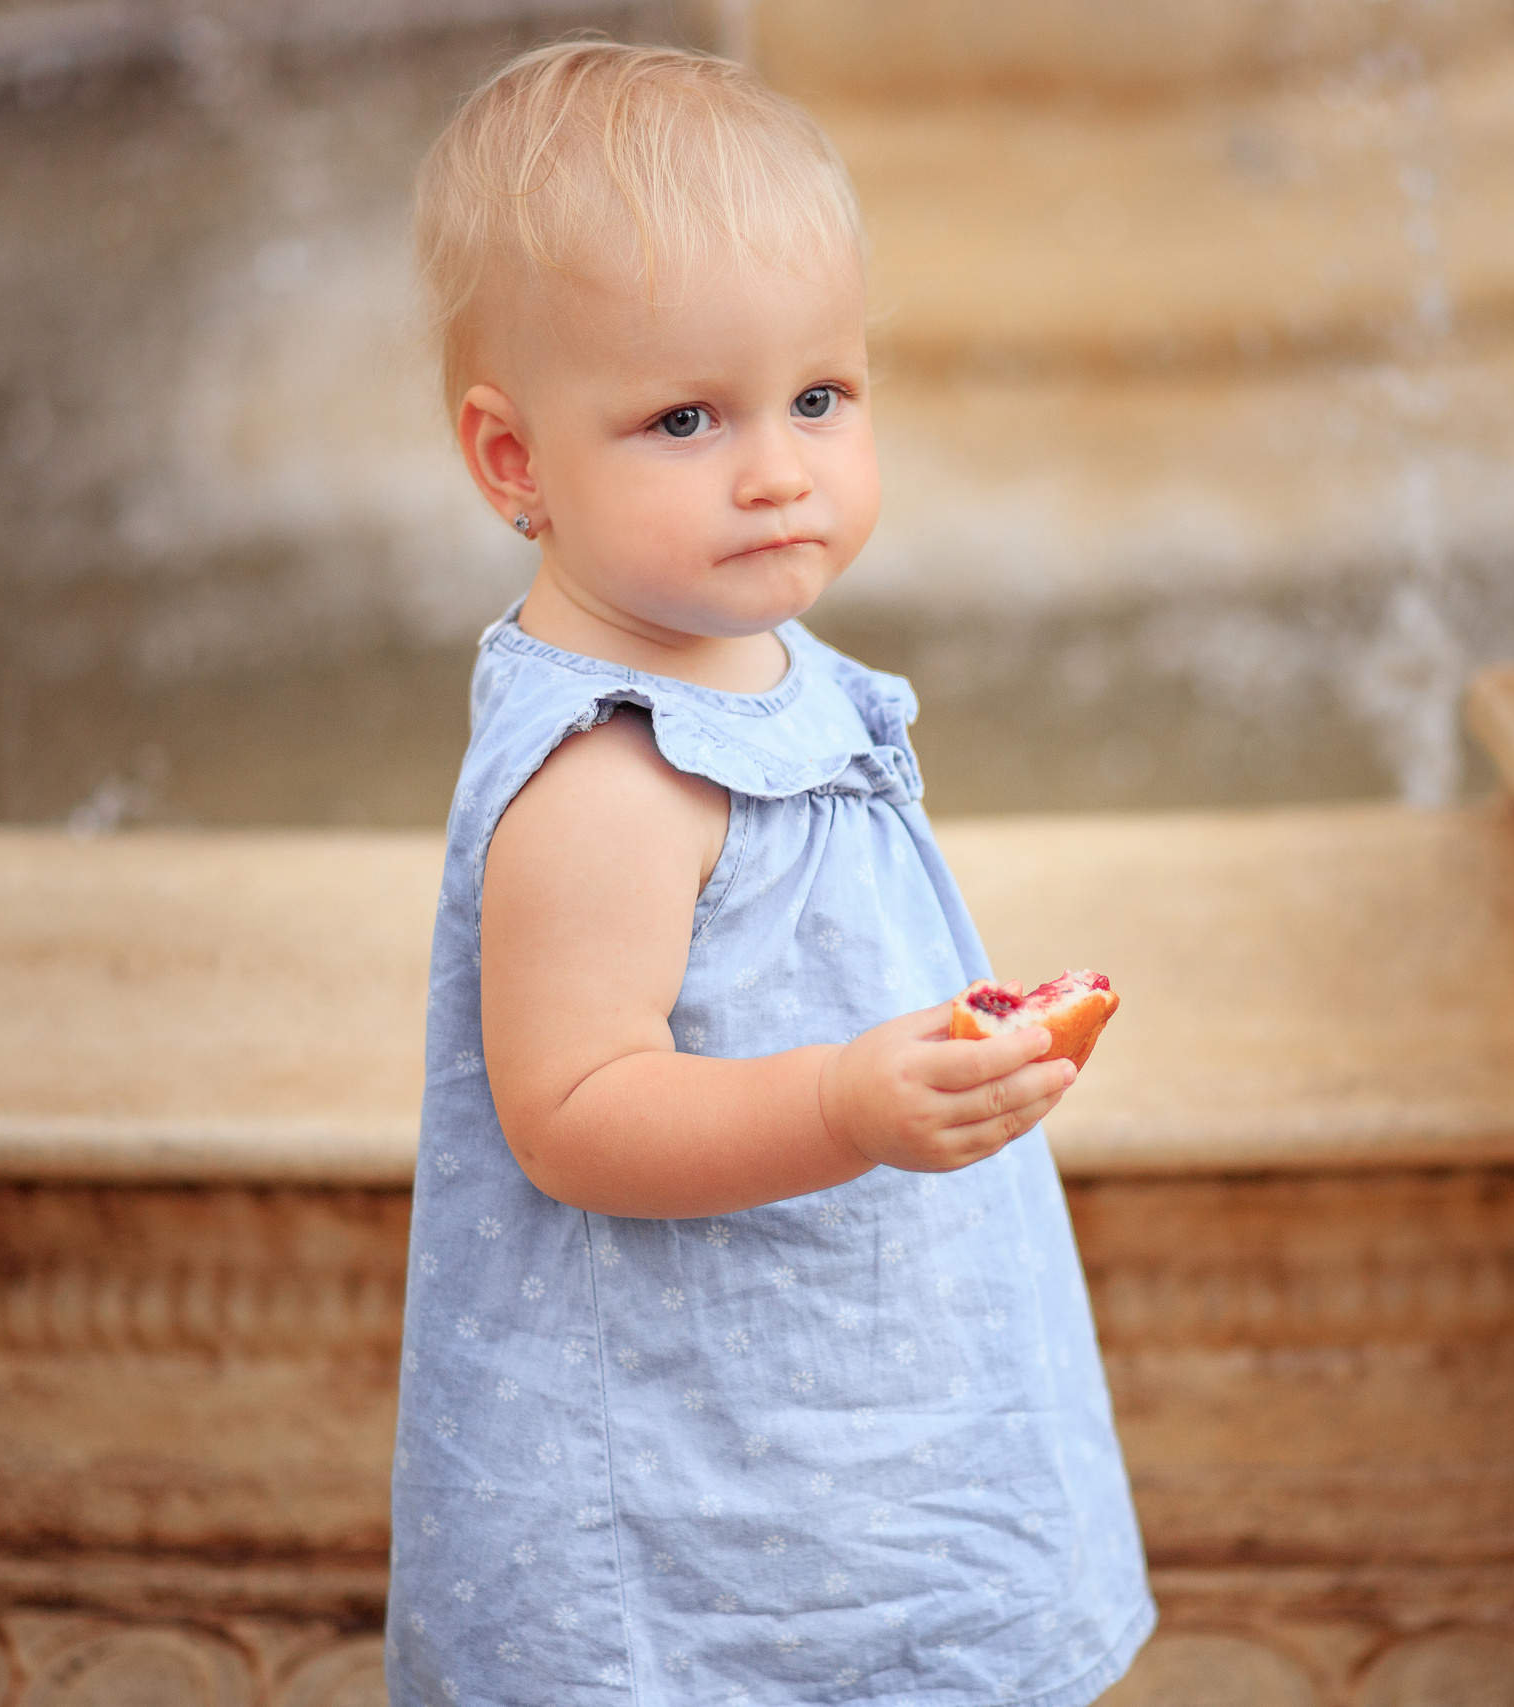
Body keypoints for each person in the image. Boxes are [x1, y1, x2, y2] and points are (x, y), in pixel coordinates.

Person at [386, 38, 1155, 1707]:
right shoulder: (606, 772)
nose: (776, 469)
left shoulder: (761, 657)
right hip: (692, 1486)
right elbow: (574, 1112)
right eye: (686, 418)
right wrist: (844, 1108)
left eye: (819, 396)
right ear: (515, 465)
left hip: (841, 1414)